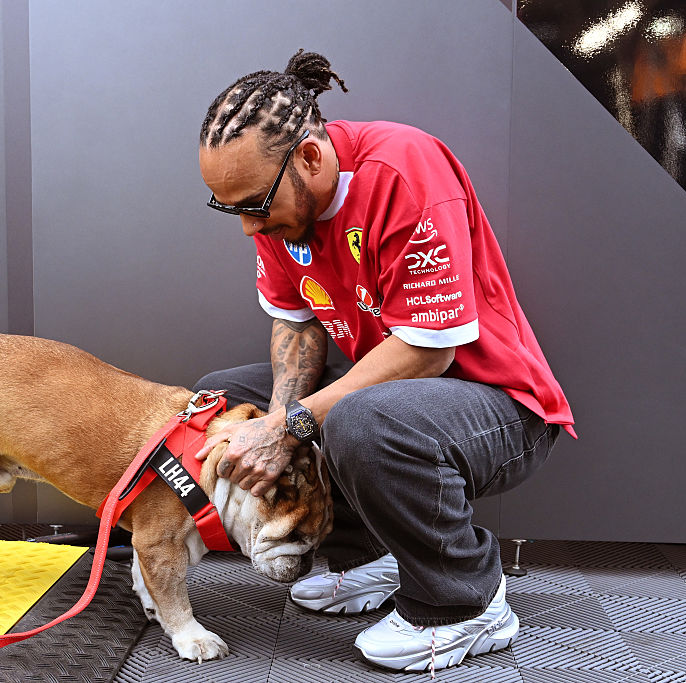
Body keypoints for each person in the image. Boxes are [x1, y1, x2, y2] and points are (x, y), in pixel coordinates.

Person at [192, 49, 576, 673]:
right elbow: (297, 324)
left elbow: (429, 349)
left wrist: (289, 427)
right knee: (229, 399)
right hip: (393, 397)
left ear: (309, 158)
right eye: (229, 208)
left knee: (357, 420)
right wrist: (276, 422)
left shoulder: (401, 167)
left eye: (255, 204)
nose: (247, 228)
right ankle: (369, 555)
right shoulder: (280, 214)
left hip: (502, 406)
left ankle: (466, 601)